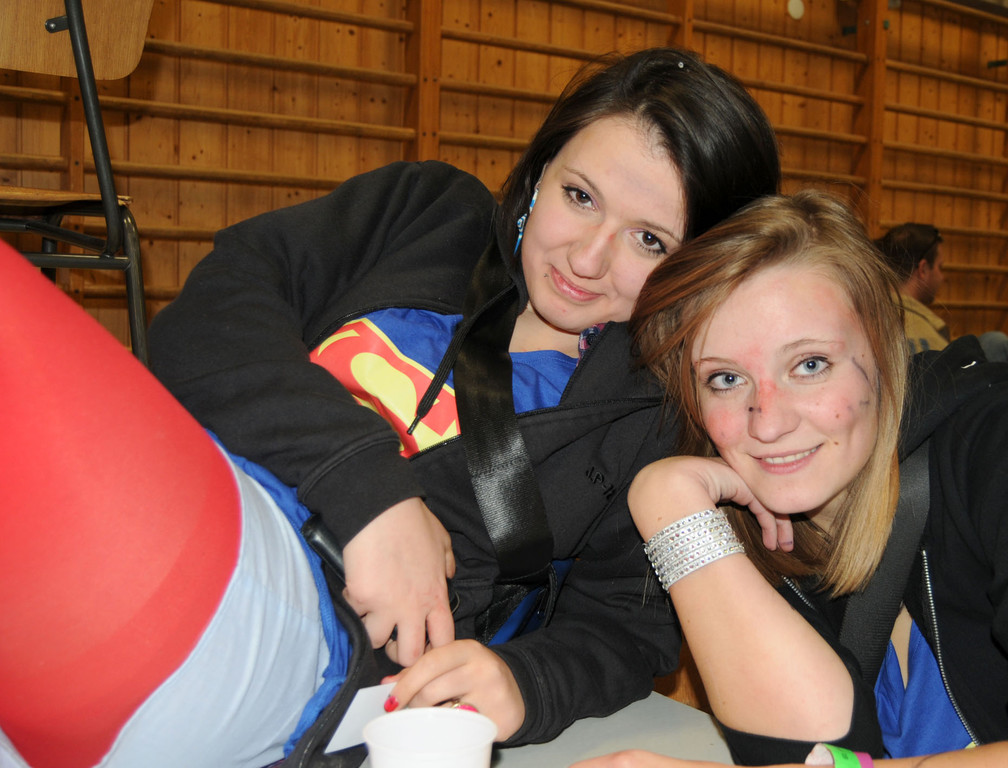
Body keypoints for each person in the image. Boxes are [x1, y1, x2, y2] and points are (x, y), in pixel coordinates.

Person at [0, 47, 782, 768]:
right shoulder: (426, 211)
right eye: (579, 196)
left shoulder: (647, 419)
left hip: (304, 634)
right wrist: (370, 493)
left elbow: (625, 626)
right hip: (170, 492)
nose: (587, 257)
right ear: (541, 170)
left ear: (699, 266)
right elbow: (213, 311)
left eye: (650, 241)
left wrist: (526, 681)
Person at [570, 191, 1008, 768]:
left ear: (883, 353)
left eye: (810, 364)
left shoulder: (990, 446)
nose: (768, 424)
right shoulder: (753, 523)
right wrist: (667, 501)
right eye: (725, 379)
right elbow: (809, 751)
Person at [875, 222, 1008, 361]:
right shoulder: (933, 342)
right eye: (940, 267)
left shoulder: (870, 318)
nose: (942, 277)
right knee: (996, 342)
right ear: (923, 269)